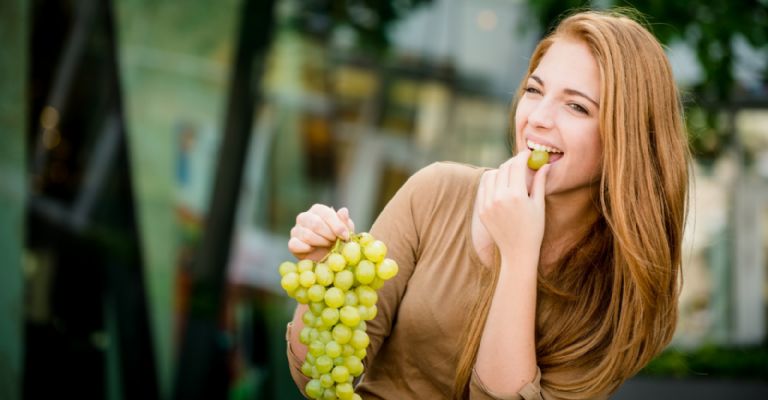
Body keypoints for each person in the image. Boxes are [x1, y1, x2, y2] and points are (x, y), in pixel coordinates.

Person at [285, 8, 690, 400]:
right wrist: (324, 283)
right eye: (534, 90)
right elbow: (320, 378)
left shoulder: (622, 286)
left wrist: (518, 255)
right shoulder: (436, 193)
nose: (538, 118)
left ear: (626, 137)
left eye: (576, 106)